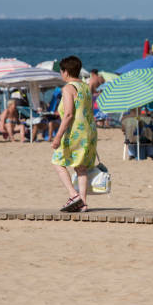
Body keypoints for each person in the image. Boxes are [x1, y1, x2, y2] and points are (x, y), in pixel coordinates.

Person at [51, 56, 98, 213]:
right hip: (88, 132)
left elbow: (69, 114)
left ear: (65, 72)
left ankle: (73, 195)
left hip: (74, 132)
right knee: (81, 168)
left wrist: (57, 136)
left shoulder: (68, 88)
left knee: (57, 162)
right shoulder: (85, 87)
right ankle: (83, 203)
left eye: (61, 71)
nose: (61, 74)